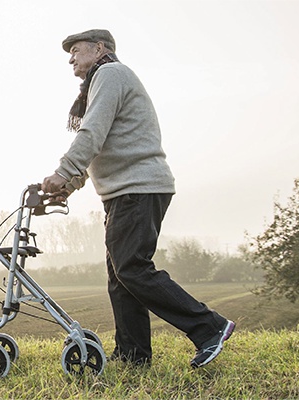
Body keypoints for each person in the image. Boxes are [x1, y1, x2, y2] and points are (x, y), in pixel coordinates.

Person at [43, 29, 236, 367]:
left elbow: (92, 132)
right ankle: (132, 354)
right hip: (127, 190)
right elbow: (101, 145)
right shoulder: (102, 81)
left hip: (138, 188)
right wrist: (69, 185)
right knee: (121, 276)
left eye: (76, 50)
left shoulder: (110, 74)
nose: (70, 58)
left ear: (99, 48)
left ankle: (209, 328)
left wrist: (63, 171)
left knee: (132, 268)